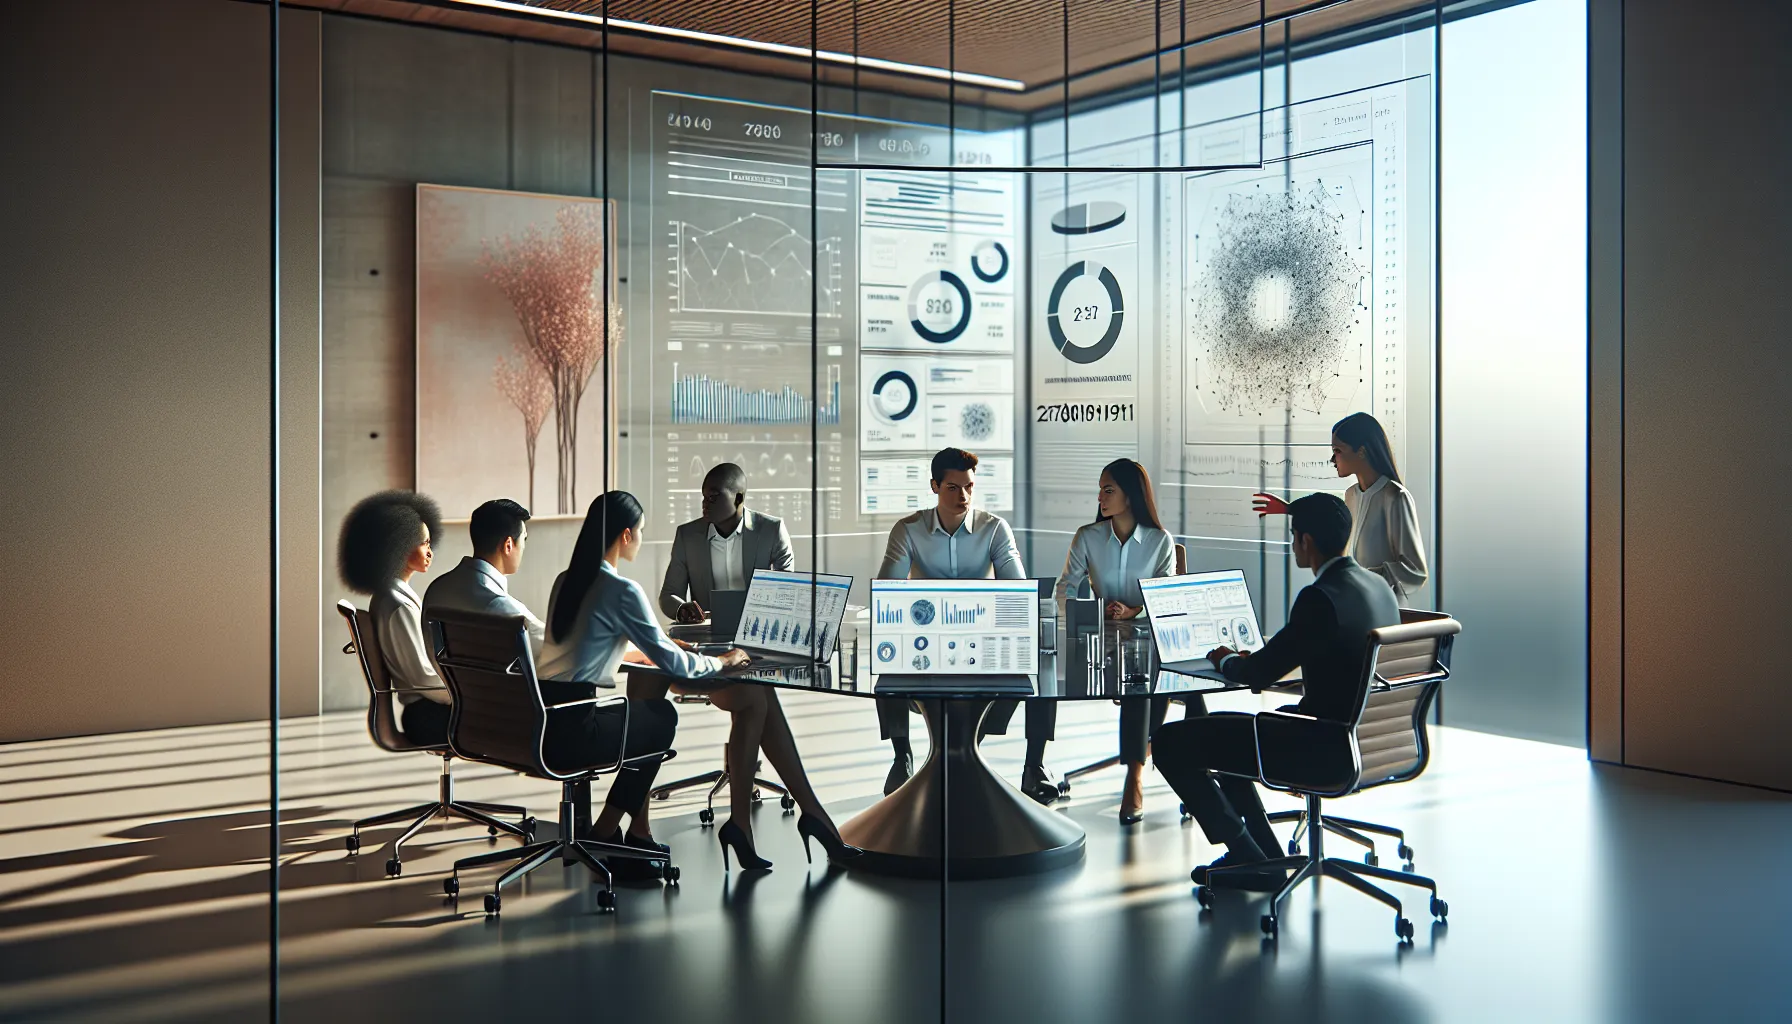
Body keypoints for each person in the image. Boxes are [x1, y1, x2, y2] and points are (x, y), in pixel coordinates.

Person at [539, 491, 856, 873]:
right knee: (662, 719)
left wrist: (662, 646)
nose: (641, 538)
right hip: (580, 728)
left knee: (716, 699)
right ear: (625, 536)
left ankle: (638, 832)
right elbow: (673, 662)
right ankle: (611, 829)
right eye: (639, 531)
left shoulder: (565, 581)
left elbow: (596, 640)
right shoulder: (621, 590)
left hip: (551, 717)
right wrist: (721, 660)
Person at [1152, 493, 1399, 887]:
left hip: (1321, 747)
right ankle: (1262, 856)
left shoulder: (1319, 598)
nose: (1292, 543)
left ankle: (1249, 856)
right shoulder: (1378, 586)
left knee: (1168, 741)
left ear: (1305, 541)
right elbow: (1340, 659)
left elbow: (1257, 676)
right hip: (1370, 740)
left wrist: (1225, 659)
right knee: (1224, 738)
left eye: (1293, 535)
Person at [874, 447, 1053, 798]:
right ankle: (902, 756)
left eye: (969, 486)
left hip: (981, 640)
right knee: (888, 655)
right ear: (934, 487)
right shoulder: (908, 530)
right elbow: (888, 594)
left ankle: (1032, 766)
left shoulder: (994, 529)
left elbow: (1018, 593)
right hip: (925, 641)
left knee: (1038, 668)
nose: (964, 496)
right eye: (953, 488)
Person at [1052, 459, 1176, 824]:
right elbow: (1063, 591)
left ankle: (1135, 774)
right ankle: (1153, 754)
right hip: (1102, 643)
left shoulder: (1159, 541)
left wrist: (1134, 610)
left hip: (1148, 642)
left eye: (1109, 489)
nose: (1101, 497)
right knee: (1145, 676)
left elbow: (1167, 599)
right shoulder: (1087, 537)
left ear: (1130, 495)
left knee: (1150, 671)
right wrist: (1095, 610)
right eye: (1101, 489)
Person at [1252, 412, 1429, 605]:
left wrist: (1361, 579)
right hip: (1353, 602)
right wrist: (1290, 509)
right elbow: (1331, 519)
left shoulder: (1395, 497)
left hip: (1385, 610)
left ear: (1361, 451)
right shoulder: (1351, 495)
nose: (1332, 460)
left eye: (1337, 451)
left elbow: (1415, 571)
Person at [337, 490, 451, 745]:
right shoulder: (397, 605)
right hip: (427, 716)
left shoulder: (389, 595)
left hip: (425, 711)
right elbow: (421, 677)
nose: (430, 552)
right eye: (424, 543)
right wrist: (463, 695)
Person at [659, 463, 795, 623]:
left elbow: (786, 591)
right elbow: (669, 595)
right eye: (704, 497)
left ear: (738, 498)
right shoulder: (687, 536)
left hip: (757, 633)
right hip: (706, 636)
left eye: (713, 497)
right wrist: (682, 609)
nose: (705, 504)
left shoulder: (771, 531)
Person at [422, 498, 545, 653]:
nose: (524, 546)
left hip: (449, 678)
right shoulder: (504, 609)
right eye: (524, 539)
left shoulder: (437, 589)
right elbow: (555, 651)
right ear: (508, 545)